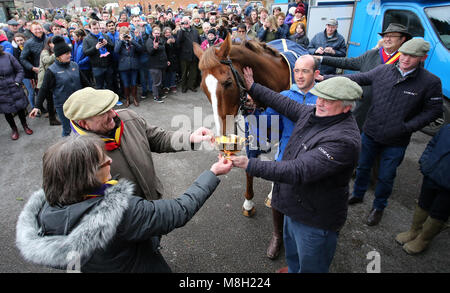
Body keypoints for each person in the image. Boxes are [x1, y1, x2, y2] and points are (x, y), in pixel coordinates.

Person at [16, 135, 232, 272]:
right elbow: (179, 210)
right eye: (103, 161)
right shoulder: (122, 212)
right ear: (88, 177)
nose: (110, 160)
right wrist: (212, 173)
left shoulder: (44, 210)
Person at [231, 68, 362, 273]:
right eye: (320, 97)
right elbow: (282, 102)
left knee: (312, 265)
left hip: (315, 219)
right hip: (294, 205)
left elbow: (298, 171)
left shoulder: (343, 140)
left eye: (328, 100)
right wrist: (253, 87)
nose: (320, 102)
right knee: (293, 253)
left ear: (346, 108)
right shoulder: (314, 112)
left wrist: (248, 163)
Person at [342, 38, 443, 226]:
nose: (405, 59)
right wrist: (328, 79)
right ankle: (358, 194)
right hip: (370, 133)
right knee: (362, 166)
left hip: (396, 140)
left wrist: (408, 126)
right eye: (404, 54)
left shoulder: (430, 82)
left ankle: (379, 207)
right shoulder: (384, 70)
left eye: (412, 56)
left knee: (386, 176)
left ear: (423, 58)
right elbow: (358, 78)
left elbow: (434, 111)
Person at [62, 87, 215, 201]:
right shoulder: (74, 158)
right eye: (103, 113)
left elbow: (158, 138)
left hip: (152, 202)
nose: (113, 114)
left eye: (110, 108)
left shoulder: (128, 118)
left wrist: (190, 138)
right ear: (84, 123)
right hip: (126, 228)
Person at [255, 55, 319, 260]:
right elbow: (269, 126)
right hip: (285, 158)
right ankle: (277, 236)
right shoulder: (284, 95)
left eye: (305, 71)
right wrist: (254, 109)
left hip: (312, 161)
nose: (299, 76)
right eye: (297, 71)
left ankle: (302, 238)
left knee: (307, 202)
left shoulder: (323, 98)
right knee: (278, 200)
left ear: (316, 74)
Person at [317, 23, 411, 131]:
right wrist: (321, 59)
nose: (387, 39)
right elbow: (349, 62)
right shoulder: (372, 54)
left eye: (392, 36)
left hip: (385, 114)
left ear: (402, 39)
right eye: (386, 36)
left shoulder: (406, 60)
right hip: (362, 109)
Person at [395, 124, 449, 255]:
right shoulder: (447, 128)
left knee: (438, 213)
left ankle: (423, 239)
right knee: (423, 203)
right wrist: (425, 162)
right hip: (431, 174)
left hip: (448, 186)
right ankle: (414, 231)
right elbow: (432, 144)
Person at [29, 36, 91, 137]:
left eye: (70, 53)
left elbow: (85, 83)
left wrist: (93, 94)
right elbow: (44, 89)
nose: (70, 55)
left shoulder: (74, 65)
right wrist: (37, 106)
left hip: (79, 103)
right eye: (67, 54)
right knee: (67, 130)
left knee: (82, 128)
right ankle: (66, 151)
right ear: (58, 56)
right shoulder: (52, 70)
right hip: (63, 106)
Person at [0, 45, 33, 140]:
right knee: (7, 111)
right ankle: (14, 129)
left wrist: (17, 81)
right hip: (1, 90)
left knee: (20, 108)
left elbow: (19, 70)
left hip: (13, 86)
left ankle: (25, 125)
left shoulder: (7, 56)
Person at [83, 20, 114, 91]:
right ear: (90, 29)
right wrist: (95, 48)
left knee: (110, 85)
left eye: (97, 28)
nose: (96, 30)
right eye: (94, 28)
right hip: (97, 67)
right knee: (99, 86)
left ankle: (111, 101)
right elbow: (85, 52)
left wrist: (107, 44)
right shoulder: (86, 39)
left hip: (108, 65)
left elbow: (112, 48)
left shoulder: (105, 36)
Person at [115, 26, 142, 107]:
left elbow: (140, 49)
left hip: (133, 65)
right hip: (123, 66)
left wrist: (132, 40)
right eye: (124, 34)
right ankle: (127, 99)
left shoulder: (132, 40)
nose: (125, 36)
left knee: (134, 83)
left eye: (126, 33)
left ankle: (134, 98)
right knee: (126, 84)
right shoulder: (118, 41)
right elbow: (116, 51)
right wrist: (121, 40)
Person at [176, 16, 202, 93]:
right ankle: (184, 87)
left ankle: (191, 85)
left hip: (194, 55)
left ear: (190, 22)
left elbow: (199, 41)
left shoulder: (195, 30)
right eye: (184, 22)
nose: (186, 23)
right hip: (184, 56)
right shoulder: (180, 31)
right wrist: (182, 30)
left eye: (187, 21)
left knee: (193, 72)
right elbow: (178, 42)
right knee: (184, 73)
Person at [146, 25, 168, 103]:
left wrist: (166, 60)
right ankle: (156, 96)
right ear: (152, 33)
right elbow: (150, 52)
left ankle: (159, 94)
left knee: (160, 81)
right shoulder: (149, 40)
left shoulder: (160, 39)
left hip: (162, 64)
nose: (157, 34)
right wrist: (154, 48)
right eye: (156, 33)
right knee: (156, 82)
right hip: (154, 65)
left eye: (158, 33)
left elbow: (163, 51)